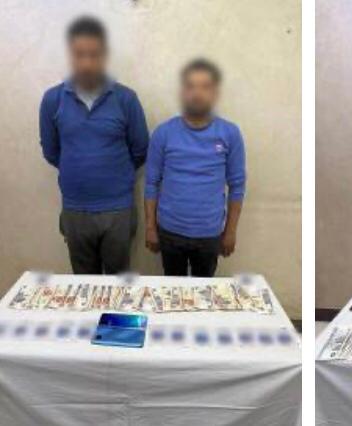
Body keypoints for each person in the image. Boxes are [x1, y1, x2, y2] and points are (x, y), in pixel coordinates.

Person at [39, 16, 149, 274]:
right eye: (80, 55)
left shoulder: (126, 99)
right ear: (71, 56)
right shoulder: (53, 100)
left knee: (118, 284)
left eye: (94, 55)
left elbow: (141, 149)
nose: (87, 62)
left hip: (118, 209)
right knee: (83, 284)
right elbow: (52, 151)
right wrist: (80, 169)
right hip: (75, 209)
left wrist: (112, 174)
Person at [144, 59, 246, 277]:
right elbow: (151, 182)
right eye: (191, 86)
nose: (197, 93)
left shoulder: (230, 133)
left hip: (209, 234)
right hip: (170, 231)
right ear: (183, 92)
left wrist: (230, 231)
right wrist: (150, 227)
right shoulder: (163, 133)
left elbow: (237, 186)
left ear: (215, 93)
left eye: (205, 87)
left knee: (204, 292)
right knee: (172, 291)